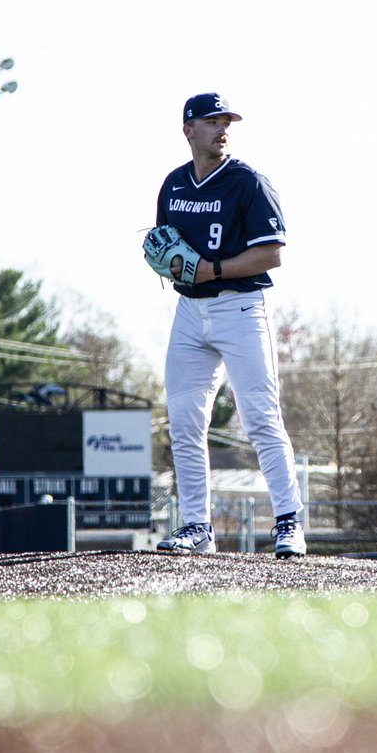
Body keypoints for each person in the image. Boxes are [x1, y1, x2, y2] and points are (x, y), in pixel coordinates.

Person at [145, 92, 306, 558]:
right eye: (212, 121)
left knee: (261, 420)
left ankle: (289, 522)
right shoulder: (174, 184)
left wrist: (210, 270)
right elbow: (167, 246)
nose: (222, 129)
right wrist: (172, 265)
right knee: (184, 425)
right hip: (189, 312)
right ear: (188, 129)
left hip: (240, 309)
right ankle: (197, 526)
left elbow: (271, 253)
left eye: (226, 122)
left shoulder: (248, 182)